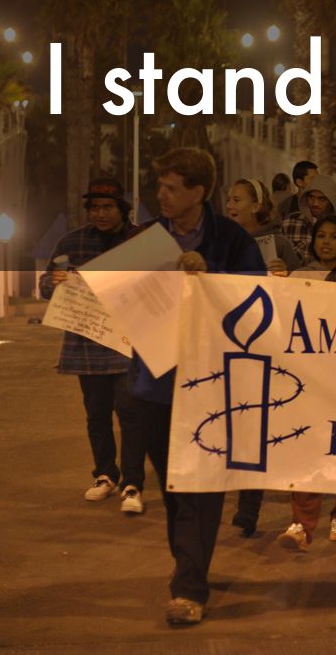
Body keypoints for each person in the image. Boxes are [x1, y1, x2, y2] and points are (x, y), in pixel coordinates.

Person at [121, 148, 266, 625]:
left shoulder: (233, 241)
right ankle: (190, 564)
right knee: (174, 488)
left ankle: (188, 586)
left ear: (199, 192)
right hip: (154, 387)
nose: (161, 195)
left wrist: (211, 276)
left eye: (171, 187)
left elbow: (259, 300)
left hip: (212, 387)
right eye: (159, 186)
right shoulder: (145, 240)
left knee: (201, 487)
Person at [38, 177, 144, 512]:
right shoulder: (72, 242)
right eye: (94, 208)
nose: (100, 214)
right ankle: (105, 475)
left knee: (130, 412)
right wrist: (54, 282)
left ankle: (132, 483)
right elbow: (45, 283)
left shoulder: (141, 241)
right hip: (88, 343)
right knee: (96, 414)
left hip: (130, 344)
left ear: (122, 209)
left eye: (107, 207)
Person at [279, 215, 336, 549]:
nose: (327, 243)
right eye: (321, 236)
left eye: (334, 237)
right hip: (310, 379)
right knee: (305, 448)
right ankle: (301, 524)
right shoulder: (299, 277)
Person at [224, 178, 301, 537]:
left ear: (257, 206)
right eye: (228, 198)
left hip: (270, 345)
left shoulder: (278, 243)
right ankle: (242, 502)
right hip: (228, 344)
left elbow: (307, 289)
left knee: (258, 423)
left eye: (237, 199)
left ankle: (251, 509)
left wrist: (287, 276)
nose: (230, 204)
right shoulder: (221, 242)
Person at [281, 173, 336, 265]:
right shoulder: (289, 222)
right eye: (311, 197)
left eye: (322, 199)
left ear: (332, 202)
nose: (315, 203)